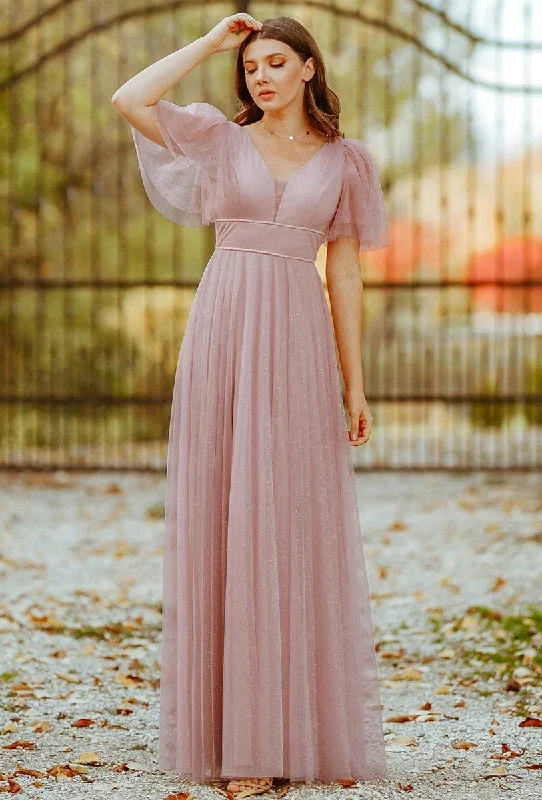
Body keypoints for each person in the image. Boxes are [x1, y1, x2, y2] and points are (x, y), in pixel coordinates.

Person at [112, 13, 390, 798]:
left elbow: (347, 276)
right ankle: (241, 747)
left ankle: (290, 729)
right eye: (252, 66)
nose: (260, 76)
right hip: (226, 322)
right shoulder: (218, 138)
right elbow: (129, 98)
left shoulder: (347, 162)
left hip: (298, 337)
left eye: (275, 62)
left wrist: (355, 382)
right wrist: (208, 45)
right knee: (227, 517)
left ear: (309, 67)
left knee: (286, 521)